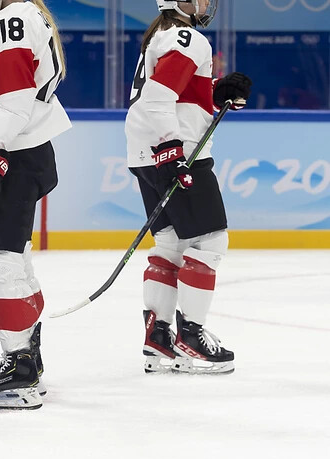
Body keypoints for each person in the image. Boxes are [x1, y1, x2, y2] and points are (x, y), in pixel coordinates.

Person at [125, 0, 252, 375]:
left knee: (171, 245)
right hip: (177, 153)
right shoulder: (188, 36)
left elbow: (174, 93)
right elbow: (158, 97)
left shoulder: (163, 36)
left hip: (145, 154)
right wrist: (171, 147)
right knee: (211, 242)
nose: (207, 3)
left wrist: (215, 90)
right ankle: (190, 338)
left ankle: (159, 338)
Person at [0, 0, 72, 410]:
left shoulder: (13, 18)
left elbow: (14, 99)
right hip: (27, 149)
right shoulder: (30, 14)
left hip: (14, 151)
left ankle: (18, 366)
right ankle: (28, 357)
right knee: (15, 257)